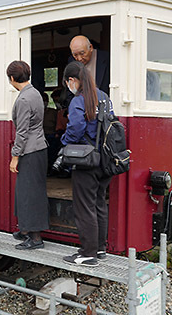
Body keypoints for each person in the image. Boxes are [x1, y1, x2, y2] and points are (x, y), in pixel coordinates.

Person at [60, 61, 113, 267]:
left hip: (86, 160)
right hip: (105, 160)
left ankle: (88, 253)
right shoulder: (104, 98)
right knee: (99, 203)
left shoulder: (78, 100)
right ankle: (100, 248)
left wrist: (63, 142)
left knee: (84, 207)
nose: (68, 87)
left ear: (72, 80)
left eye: (67, 83)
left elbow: (75, 129)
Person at [6, 61, 50, 250]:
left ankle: (35, 238)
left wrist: (15, 156)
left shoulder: (24, 99)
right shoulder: (36, 93)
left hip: (29, 151)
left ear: (12, 78)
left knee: (29, 194)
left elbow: (22, 132)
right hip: (40, 148)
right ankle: (25, 231)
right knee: (32, 191)